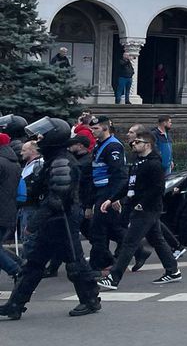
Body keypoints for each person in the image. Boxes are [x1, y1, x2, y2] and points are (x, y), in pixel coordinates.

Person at [0, 118, 103, 319]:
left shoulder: (61, 161)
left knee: (75, 262)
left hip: (63, 218)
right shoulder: (53, 159)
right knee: (33, 265)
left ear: (54, 136)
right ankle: (15, 305)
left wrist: (34, 222)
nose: (38, 138)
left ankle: (90, 300)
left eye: (42, 135)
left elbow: (57, 198)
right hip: (53, 219)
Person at [96, 125, 181, 291]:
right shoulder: (138, 162)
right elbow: (129, 184)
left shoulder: (153, 164)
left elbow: (158, 189)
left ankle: (114, 278)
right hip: (139, 207)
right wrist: (112, 198)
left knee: (129, 242)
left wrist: (143, 203)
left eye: (137, 142)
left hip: (147, 209)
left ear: (147, 144)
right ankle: (173, 270)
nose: (133, 144)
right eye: (132, 142)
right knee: (157, 239)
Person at [86, 116, 130, 272]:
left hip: (107, 191)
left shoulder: (113, 146)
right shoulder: (100, 145)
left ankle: (101, 263)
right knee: (108, 228)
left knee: (97, 229)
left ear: (105, 128)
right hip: (101, 191)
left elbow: (119, 175)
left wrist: (114, 197)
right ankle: (133, 253)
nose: (92, 131)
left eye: (95, 128)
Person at [0, 133, 20, 278]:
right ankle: (18, 265)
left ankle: (16, 269)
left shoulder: (1, 162)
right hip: (8, 209)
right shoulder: (13, 161)